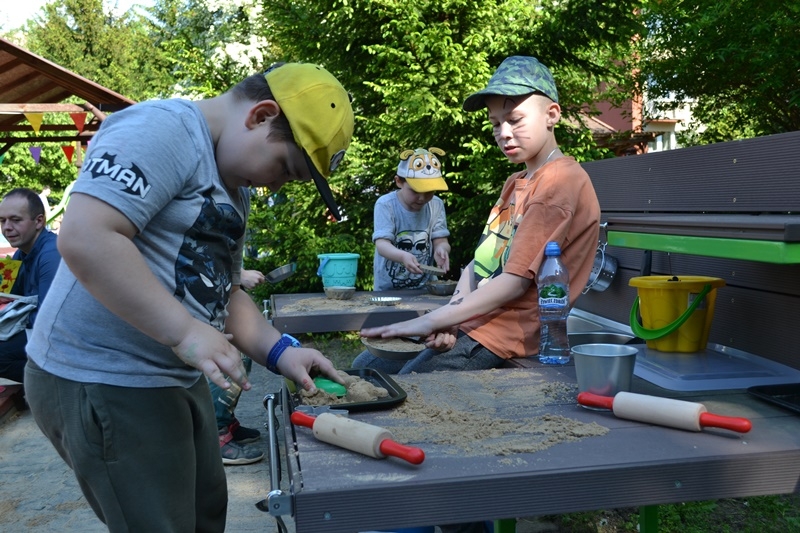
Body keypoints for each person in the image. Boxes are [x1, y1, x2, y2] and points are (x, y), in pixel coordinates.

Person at [23, 62, 353, 532]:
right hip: (102, 375)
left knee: (203, 514)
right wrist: (183, 330)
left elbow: (226, 292)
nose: (276, 185)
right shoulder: (164, 129)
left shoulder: (233, 189)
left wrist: (282, 352)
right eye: (285, 168)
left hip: (170, 373)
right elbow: (85, 237)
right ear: (261, 115)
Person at [354, 56, 600, 378]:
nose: (504, 133)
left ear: (551, 115)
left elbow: (513, 284)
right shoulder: (515, 183)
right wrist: (452, 314)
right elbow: (480, 262)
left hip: (504, 333)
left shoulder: (558, 184)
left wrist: (431, 320)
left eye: (515, 119)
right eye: (496, 124)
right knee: (365, 366)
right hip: (477, 318)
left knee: (408, 384)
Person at [0, 188, 61, 384]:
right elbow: (6, 295)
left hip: (60, 335)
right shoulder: (21, 252)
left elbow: (49, 318)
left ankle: (57, 384)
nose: (6, 227)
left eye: (16, 220)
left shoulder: (51, 254)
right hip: (39, 326)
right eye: (2, 220)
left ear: (39, 221)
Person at [373, 147, 451, 290]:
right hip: (389, 289)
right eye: (415, 191)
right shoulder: (386, 204)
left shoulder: (436, 204)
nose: (422, 198)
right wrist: (403, 256)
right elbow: (382, 245)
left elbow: (441, 240)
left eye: (429, 192)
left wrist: (442, 249)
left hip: (427, 288)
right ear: (398, 181)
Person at [213, 267, 266, 465]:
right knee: (225, 362)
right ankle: (215, 433)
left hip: (222, 300)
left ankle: (225, 419)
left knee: (241, 358)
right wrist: (239, 274)